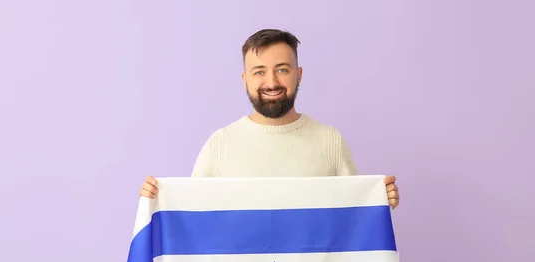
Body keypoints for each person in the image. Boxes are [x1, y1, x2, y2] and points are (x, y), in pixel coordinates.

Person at [139, 28, 399, 208]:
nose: (271, 82)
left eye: (282, 70)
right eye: (259, 72)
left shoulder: (329, 141)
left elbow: (353, 215)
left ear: (298, 75)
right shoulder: (220, 144)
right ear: (245, 80)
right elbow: (192, 216)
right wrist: (158, 201)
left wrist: (378, 200)